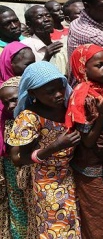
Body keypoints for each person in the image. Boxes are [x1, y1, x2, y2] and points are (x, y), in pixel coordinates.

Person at [8, 61, 80, 238]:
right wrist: (55, 146)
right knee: (55, 228)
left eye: (60, 88)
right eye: (49, 92)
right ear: (32, 93)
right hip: (46, 182)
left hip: (71, 175)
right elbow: (19, 158)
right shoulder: (30, 117)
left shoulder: (68, 108)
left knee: (74, 224)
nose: (57, 95)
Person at [65, 44, 103, 239]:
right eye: (99, 65)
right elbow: (88, 141)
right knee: (100, 217)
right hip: (91, 167)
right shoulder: (82, 95)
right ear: (83, 67)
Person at [0, 76, 34, 239]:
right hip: (14, 173)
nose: (10, 106)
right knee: (19, 210)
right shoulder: (7, 123)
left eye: (14, 100)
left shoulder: (38, 117)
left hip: (37, 175)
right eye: (5, 103)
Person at [22, 5, 68, 76]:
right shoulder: (25, 47)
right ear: (29, 24)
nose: (46, 19)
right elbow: (28, 77)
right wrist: (46, 58)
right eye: (39, 17)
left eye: (48, 15)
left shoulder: (60, 44)